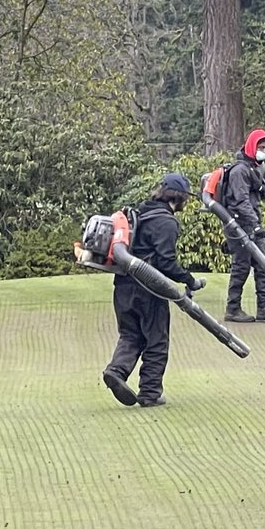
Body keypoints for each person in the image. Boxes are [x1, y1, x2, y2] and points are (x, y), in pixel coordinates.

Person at [102, 173, 205, 408]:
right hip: (148, 290)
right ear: (179, 197)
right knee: (157, 340)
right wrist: (189, 280)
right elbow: (166, 262)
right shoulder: (166, 222)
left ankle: (116, 371)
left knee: (130, 334)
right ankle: (150, 393)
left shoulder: (139, 214)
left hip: (123, 287)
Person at [224, 128, 265, 323]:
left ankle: (264, 307)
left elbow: (261, 195)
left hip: (253, 222)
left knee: (262, 264)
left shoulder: (260, 167)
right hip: (238, 223)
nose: (264, 151)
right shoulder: (239, 171)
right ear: (252, 146)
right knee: (241, 266)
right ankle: (232, 308)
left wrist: (262, 188)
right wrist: (254, 224)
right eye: (261, 147)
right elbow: (241, 201)